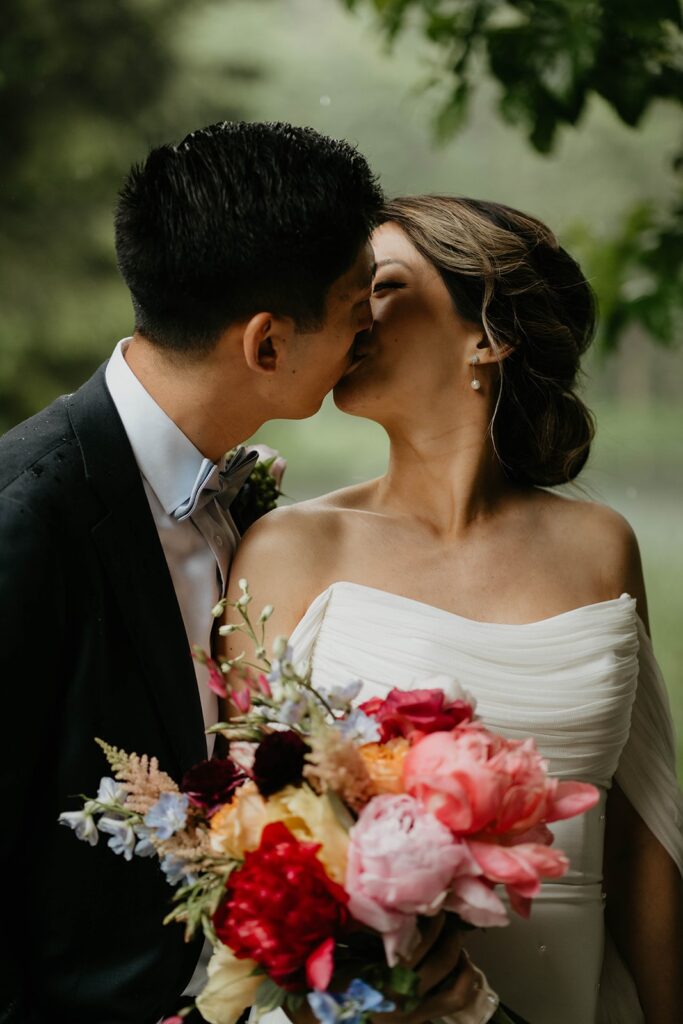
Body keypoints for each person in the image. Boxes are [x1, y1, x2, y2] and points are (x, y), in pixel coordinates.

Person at [228, 196, 683, 1024]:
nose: (350, 314)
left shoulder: (598, 547)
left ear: (489, 334)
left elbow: (641, 838)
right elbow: (240, 837)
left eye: (384, 285)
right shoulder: (289, 548)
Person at [0, 120, 384, 1023]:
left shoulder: (240, 501)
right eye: (356, 316)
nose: (366, 340)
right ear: (266, 346)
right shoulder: (25, 523)